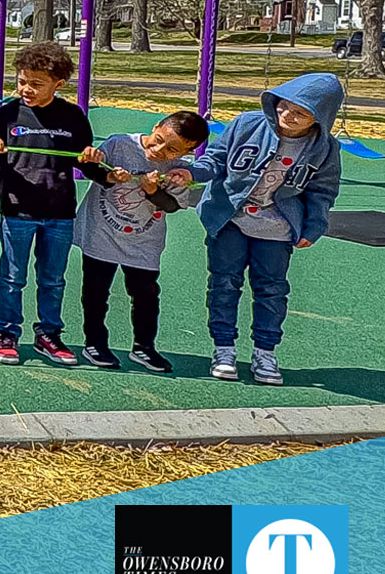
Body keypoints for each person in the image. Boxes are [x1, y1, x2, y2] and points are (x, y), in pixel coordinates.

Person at [191, 74, 344, 385]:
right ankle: (224, 348)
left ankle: (265, 351)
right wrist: (192, 172)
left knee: (271, 289)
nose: (287, 116)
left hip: (277, 228)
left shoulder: (324, 148)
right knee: (223, 283)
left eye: (300, 113)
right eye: (284, 106)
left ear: (319, 118)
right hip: (230, 219)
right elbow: (216, 159)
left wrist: (314, 225)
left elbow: (323, 190)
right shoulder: (248, 124)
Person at [0, 43, 111, 365]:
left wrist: (100, 165)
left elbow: (86, 165)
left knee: (53, 280)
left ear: (58, 84)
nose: (26, 89)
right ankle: (6, 333)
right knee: (12, 277)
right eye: (22, 81)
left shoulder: (72, 116)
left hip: (60, 212)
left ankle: (48, 334)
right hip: (17, 211)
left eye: (36, 84)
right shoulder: (8, 113)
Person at [73, 110, 209, 372]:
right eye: (158, 140)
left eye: (172, 150)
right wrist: (97, 164)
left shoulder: (180, 171)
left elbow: (171, 205)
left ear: (188, 151)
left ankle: (144, 347)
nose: (159, 151)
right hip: (101, 233)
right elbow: (90, 169)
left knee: (146, 294)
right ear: (156, 126)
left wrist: (152, 190)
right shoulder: (119, 143)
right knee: (95, 291)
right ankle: (95, 343)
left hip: (144, 241)